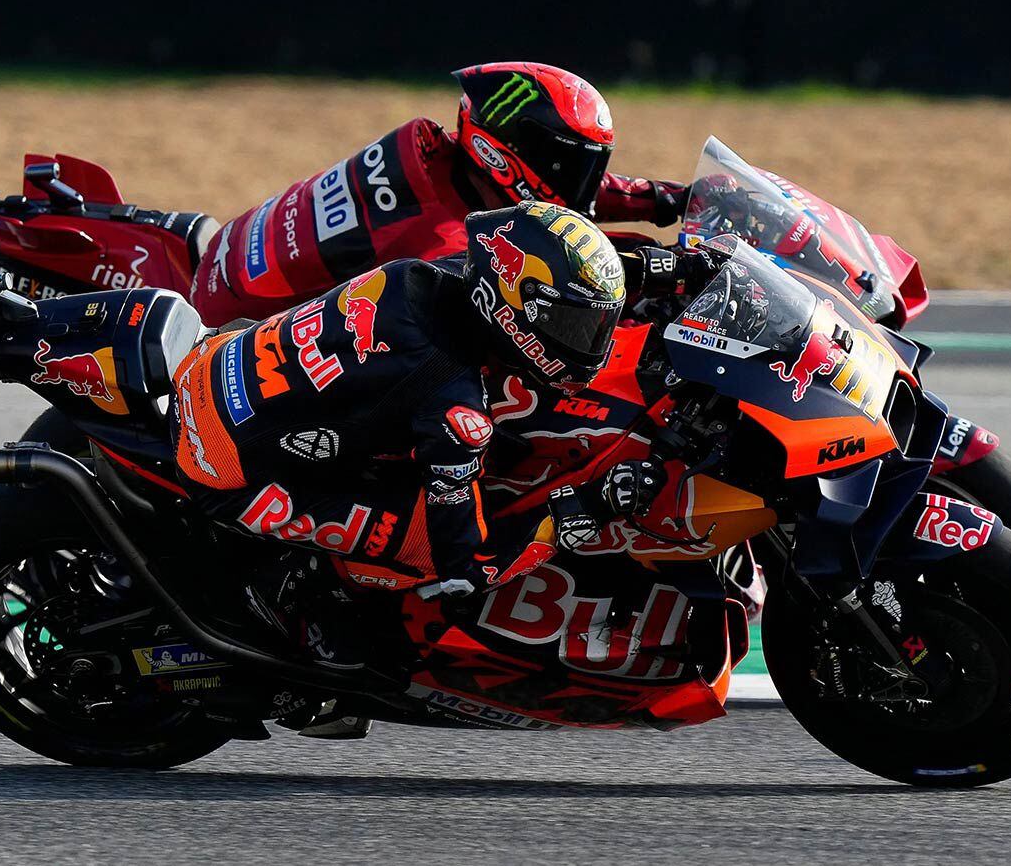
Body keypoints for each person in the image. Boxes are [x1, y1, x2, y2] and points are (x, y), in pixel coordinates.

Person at [172, 202, 705, 668]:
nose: (590, 342)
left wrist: (670, 269)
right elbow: (467, 568)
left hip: (220, 364)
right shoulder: (452, 407)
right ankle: (297, 601)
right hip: (232, 470)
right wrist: (588, 505)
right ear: (514, 307)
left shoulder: (444, 277)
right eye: (574, 327)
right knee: (431, 546)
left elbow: (560, 271)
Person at [189, 62, 690, 329]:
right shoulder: (446, 244)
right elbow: (560, 285)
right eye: (570, 166)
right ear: (498, 153)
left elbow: (557, 192)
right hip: (236, 332)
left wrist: (668, 199)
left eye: (587, 166)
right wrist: (661, 268)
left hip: (225, 258)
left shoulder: (426, 147)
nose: (580, 183)